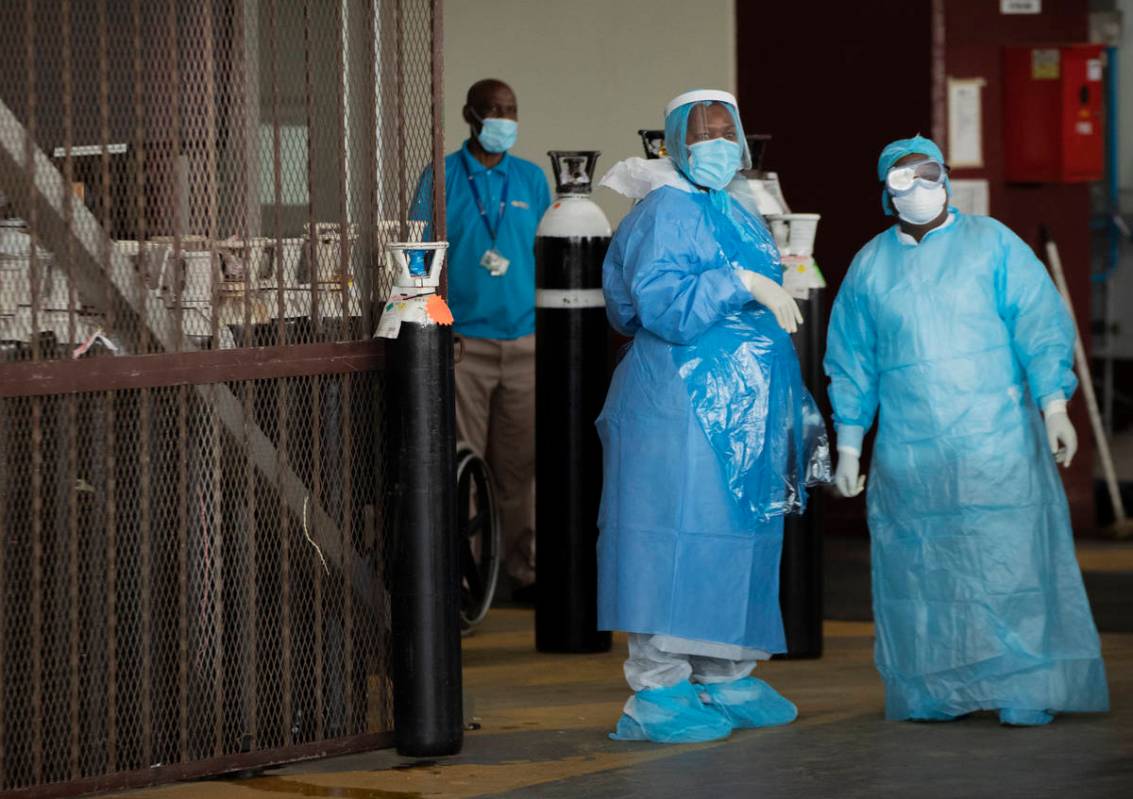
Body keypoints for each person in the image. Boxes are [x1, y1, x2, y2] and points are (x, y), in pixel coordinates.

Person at [824, 134, 1109, 726]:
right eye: (903, 179)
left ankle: (1024, 687)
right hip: (912, 453)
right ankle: (935, 689)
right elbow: (852, 360)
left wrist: (1054, 404)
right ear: (885, 192)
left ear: (947, 178)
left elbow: (1040, 323)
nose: (919, 187)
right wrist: (849, 443)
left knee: (1009, 567)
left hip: (995, 441)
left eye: (929, 173)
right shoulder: (871, 265)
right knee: (924, 577)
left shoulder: (992, 244)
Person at [596, 89, 830, 744]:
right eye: (702, 132)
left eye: (727, 130)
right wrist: (741, 282)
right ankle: (659, 685)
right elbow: (658, 304)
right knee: (668, 537)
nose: (718, 143)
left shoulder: (736, 209)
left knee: (733, 539)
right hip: (676, 405)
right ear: (674, 141)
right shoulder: (663, 210)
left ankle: (725, 670)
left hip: (743, 411)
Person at [412, 79, 551, 602]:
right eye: (493, 109)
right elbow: (419, 252)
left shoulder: (532, 180)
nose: (503, 118)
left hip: (524, 345)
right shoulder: (442, 177)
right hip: (463, 344)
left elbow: (546, 254)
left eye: (511, 110)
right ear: (471, 115)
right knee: (462, 462)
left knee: (520, 469)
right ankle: (467, 578)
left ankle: (523, 570)